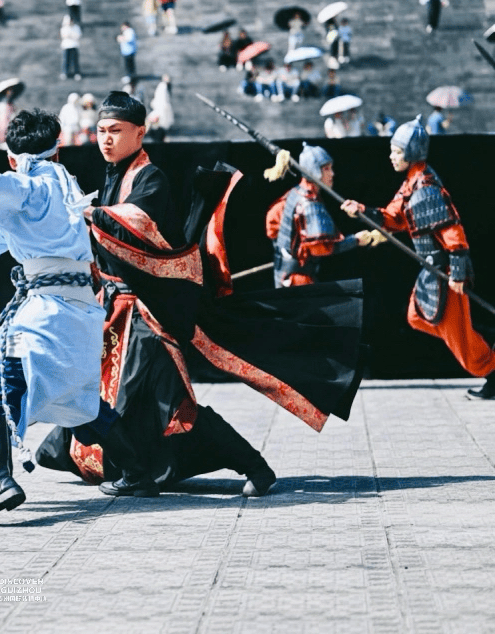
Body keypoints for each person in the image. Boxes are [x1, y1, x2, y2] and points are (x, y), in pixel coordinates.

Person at [38, 91, 366, 496]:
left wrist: (89, 213)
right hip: (117, 312)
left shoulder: (150, 178)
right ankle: (137, 471)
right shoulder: (112, 177)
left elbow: (135, 224)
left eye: (116, 131)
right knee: (135, 399)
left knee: (160, 403)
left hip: (148, 313)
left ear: (140, 132)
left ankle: (250, 466)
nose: (106, 139)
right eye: (102, 131)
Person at [0, 109, 143, 523]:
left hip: (46, 313)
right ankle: (138, 469)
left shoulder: (27, 186)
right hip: (78, 309)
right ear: (57, 149)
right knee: (77, 400)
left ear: (13, 156)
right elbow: (36, 230)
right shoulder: (65, 187)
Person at [342, 117, 495, 398]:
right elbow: (393, 218)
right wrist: (362, 210)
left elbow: (453, 232)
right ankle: (480, 338)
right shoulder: (411, 184)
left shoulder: (426, 189)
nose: (391, 156)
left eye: (397, 151)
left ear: (411, 153)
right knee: (417, 317)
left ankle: (492, 372)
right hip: (431, 271)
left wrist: (458, 272)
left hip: (444, 273)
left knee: (460, 340)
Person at [266, 144, 379, 288]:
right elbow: (321, 248)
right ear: (314, 171)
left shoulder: (293, 194)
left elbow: (272, 226)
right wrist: (355, 240)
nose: (332, 174)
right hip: (298, 280)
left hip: (283, 274)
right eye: (326, 169)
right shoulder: (310, 204)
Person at [60, 14, 82, 80]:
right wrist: (71, 35)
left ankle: (77, 73)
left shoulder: (76, 27)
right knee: (66, 60)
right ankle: (65, 73)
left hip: (74, 46)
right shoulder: (64, 28)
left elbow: (78, 36)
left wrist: (71, 35)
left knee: (75, 61)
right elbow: (64, 36)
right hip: (66, 46)